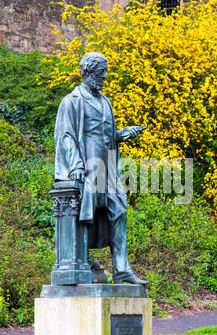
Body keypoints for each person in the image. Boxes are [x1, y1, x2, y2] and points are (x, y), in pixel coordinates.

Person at [54, 52, 147, 285]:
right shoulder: (72, 101)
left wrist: (121, 134)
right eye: (100, 71)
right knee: (86, 216)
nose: (105, 75)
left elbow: (106, 134)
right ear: (88, 72)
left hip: (107, 170)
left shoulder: (106, 102)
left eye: (105, 71)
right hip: (87, 169)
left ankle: (122, 269)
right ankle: (83, 266)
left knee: (120, 211)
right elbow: (66, 136)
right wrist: (75, 165)